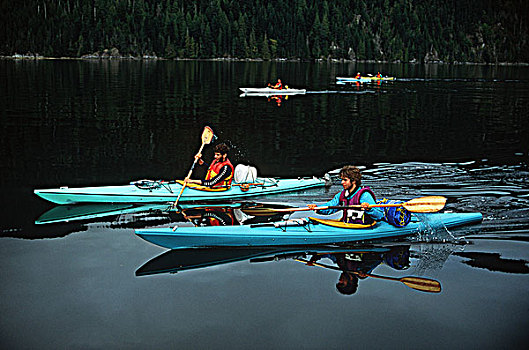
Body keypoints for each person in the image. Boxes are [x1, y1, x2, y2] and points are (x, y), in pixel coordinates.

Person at [308, 165, 383, 224]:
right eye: (342, 180)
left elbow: (379, 215)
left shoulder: (364, 195)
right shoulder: (342, 195)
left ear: (353, 181)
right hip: (348, 225)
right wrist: (317, 208)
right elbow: (331, 207)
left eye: (345, 180)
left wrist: (368, 208)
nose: (342, 182)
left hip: (363, 227)